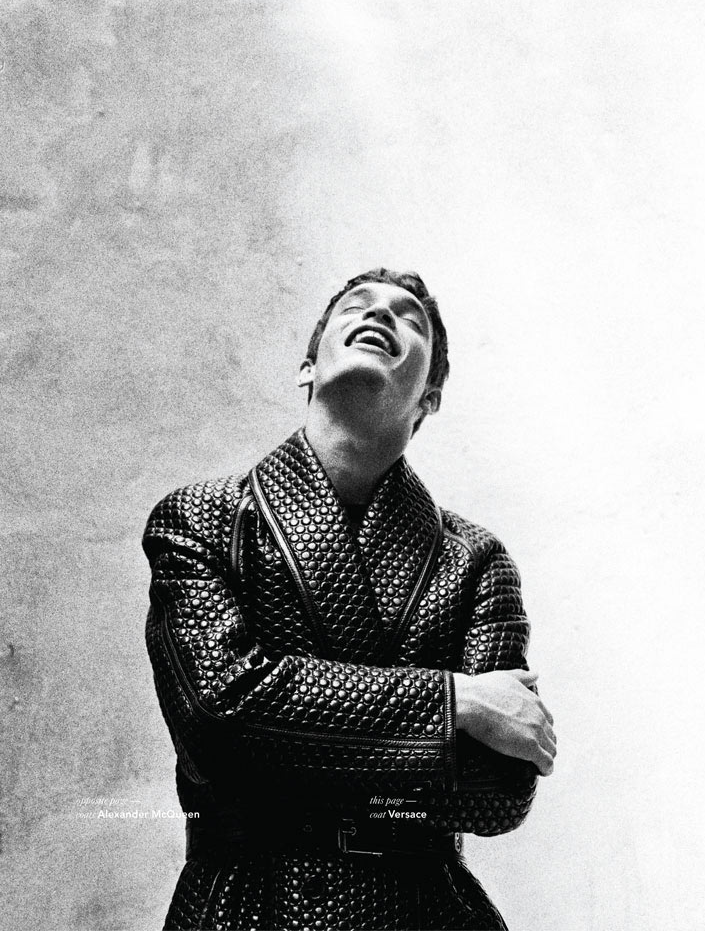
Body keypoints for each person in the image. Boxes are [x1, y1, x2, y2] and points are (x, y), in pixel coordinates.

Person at [143, 268, 557, 931]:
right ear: (307, 368)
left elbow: (499, 791)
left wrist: (290, 763)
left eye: (409, 318)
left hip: (425, 913)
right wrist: (458, 701)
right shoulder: (201, 520)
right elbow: (220, 722)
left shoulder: (476, 559)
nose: (381, 313)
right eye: (357, 306)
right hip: (249, 907)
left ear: (430, 397)